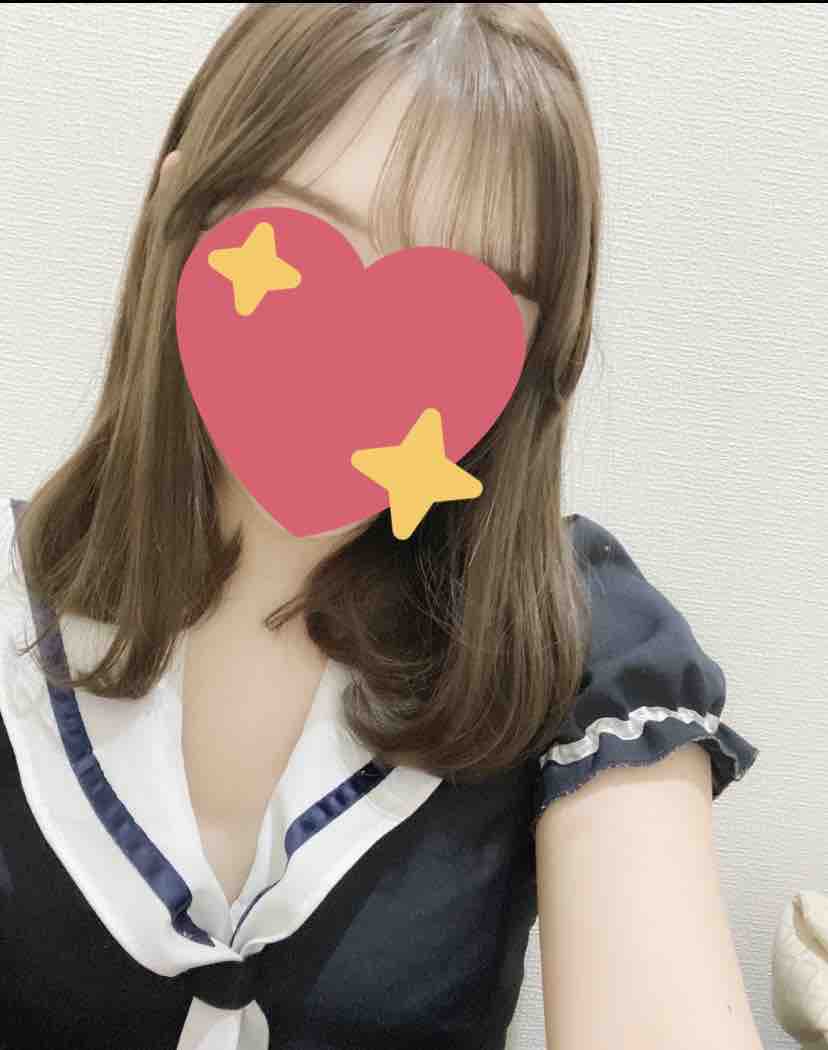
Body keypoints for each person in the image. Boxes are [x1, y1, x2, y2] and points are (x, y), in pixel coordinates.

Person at [0, 5, 762, 1050]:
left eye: (457, 301)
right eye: (309, 233)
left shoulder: (580, 652)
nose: (357, 353)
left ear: (534, 350)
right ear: (183, 209)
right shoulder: (13, 606)